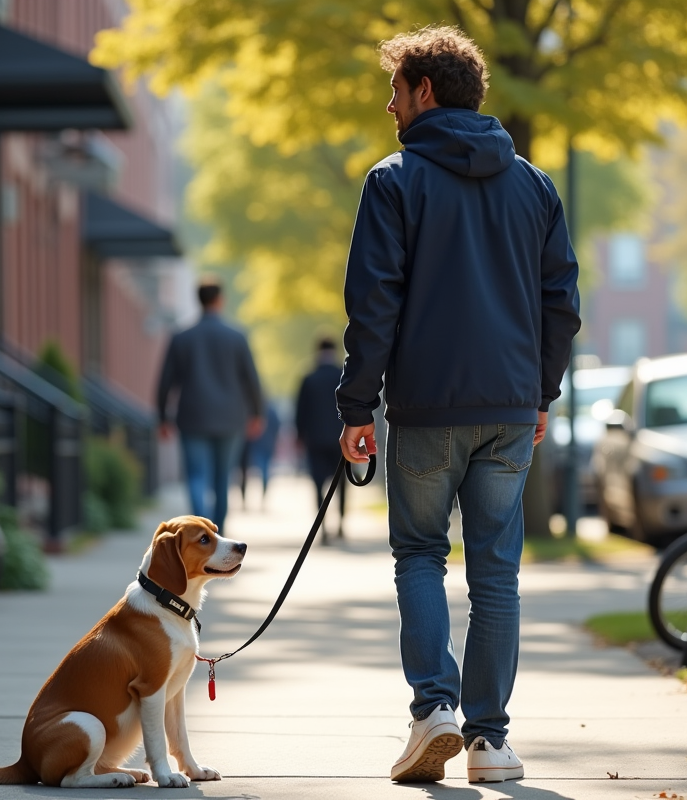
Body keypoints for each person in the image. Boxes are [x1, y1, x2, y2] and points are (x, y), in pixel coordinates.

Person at [335, 27, 580, 785]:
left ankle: (432, 710)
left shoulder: (394, 180)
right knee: (496, 575)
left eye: (397, 92)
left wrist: (355, 407)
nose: (389, 105)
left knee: (419, 554)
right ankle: (489, 742)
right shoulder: (535, 186)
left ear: (426, 92)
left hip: (427, 408)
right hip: (510, 409)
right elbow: (561, 303)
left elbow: (375, 305)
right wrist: (543, 391)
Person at [157, 280, 263, 534]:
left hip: (193, 416)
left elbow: (165, 381)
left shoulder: (181, 337)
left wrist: (162, 417)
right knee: (222, 478)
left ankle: (199, 532)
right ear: (220, 300)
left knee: (195, 476)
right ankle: (218, 532)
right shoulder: (236, 337)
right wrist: (257, 413)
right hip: (230, 418)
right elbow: (251, 379)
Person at [295, 338, 346, 540]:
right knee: (341, 482)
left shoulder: (308, 378)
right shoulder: (342, 375)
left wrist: (299, 436)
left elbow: (300, 410)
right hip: (340, 438)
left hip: (315, 439)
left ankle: (322, 525)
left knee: (318, 483)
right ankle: (341, 522)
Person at [239, 402, 280, 510]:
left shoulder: (251, 410)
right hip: (265, 446)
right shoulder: (272, 411)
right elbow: (277, 427)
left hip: (254, 445)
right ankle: (263, 498)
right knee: (264, 472)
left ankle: (246, 499)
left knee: (245, 473)